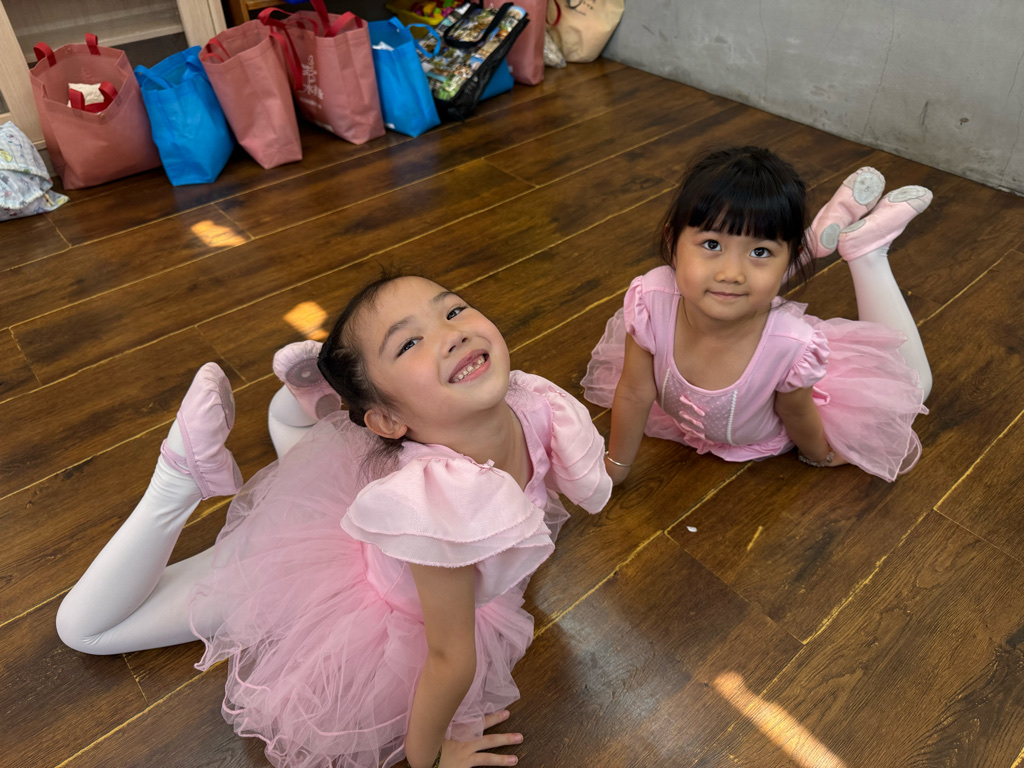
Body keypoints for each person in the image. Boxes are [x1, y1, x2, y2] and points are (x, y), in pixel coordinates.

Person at [56, 274, 612, 768]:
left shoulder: (535, 403)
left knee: (318, 455)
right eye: (410, 342)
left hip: (377, 496)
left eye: (453, 310)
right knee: (85, 631)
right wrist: (432, 757)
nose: (453, 334)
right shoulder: (438, 513)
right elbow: (448, 656)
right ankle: (179, 480)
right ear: (386, 420)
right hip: (343, 589)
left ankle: (308, 400)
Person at [582, 146, 931, 484]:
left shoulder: (793, 347)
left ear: (789, 258)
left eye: (761, 250)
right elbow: (634, 391)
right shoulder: (652, 301)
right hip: (759, 311)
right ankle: (814, 236)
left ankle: (868, 254)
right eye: (712, 244)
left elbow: (797, 411)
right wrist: (616, 466)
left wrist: (820, 454)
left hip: (783, 348)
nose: (731, 273)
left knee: (914, 386)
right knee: (744, 287)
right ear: (672, 242)